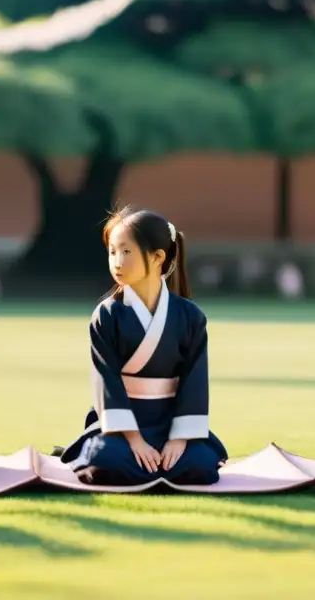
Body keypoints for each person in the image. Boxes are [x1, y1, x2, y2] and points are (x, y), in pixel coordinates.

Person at [58, 206, 228, 486]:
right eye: (112, 251)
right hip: (121, 431)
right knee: (106, 461)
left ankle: (166, 458)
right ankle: (136, 459)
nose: (117, 261)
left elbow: (194, 382)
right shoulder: (107, 315)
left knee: (200, 466)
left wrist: (178, 439)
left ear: (158, 257)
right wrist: (135, 441)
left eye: (126, 252)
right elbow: (106, 382)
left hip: (172, 422)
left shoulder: (190, 316)